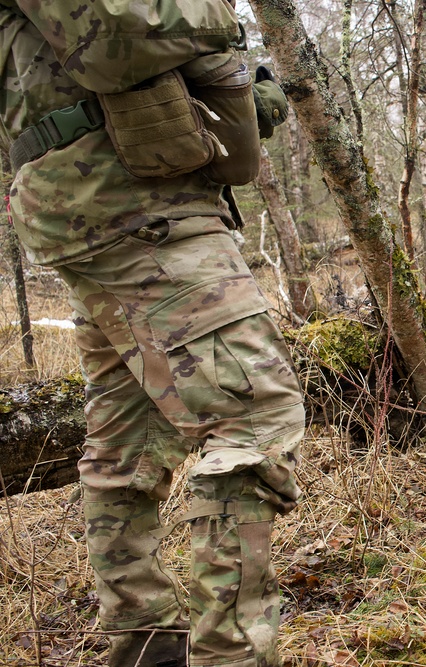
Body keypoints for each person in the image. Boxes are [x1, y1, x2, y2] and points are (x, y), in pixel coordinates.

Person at [1, 2, 302, 666]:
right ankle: (233, 653)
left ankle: (145, 644)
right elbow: (116, 34)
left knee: (128, 439)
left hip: (115, 202)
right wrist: (218, 19)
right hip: (126, 203)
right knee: (254, 416)